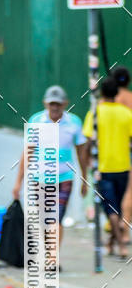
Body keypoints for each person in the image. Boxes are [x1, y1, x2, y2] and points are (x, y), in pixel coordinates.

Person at [13, 86, 87, 260]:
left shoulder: (74, 123)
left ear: (65, 104)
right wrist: (18, 182)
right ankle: (47, 251)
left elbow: (82, 152)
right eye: (52, 104)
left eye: (58, 104)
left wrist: (84, 178)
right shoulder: (36, 121)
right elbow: (28, 152)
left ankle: (52, 259)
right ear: (45, 104)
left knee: (56, 218)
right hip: (39, 179)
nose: (55, 108)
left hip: (64, 179)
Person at [82, 76, 132, 259]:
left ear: (102, 93)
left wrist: (86, 163)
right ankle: (111, 243)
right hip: (123, 168)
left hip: (102, 170)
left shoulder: (95, 113)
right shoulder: (126, 114)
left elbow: (87, 143)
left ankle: (120, 246)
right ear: (117, 93)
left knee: (110, 208)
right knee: (116, 207)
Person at [112, 65, 132, 244]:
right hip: (128, 150)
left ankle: (117, 231)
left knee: (114, 193)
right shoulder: (131, 99)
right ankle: (124, 231)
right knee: (129, 192)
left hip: (112, 153)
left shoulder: (109, 101)